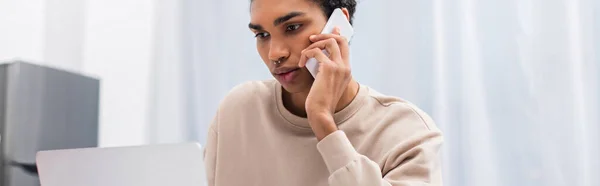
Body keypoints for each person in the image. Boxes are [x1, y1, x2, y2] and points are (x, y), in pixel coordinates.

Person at [203, 0, 443, 185]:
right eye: (262, 35)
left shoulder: (407, 133)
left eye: (293, 27)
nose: (274, 53)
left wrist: (322, 122)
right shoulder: (238, 110)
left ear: (339, 25)